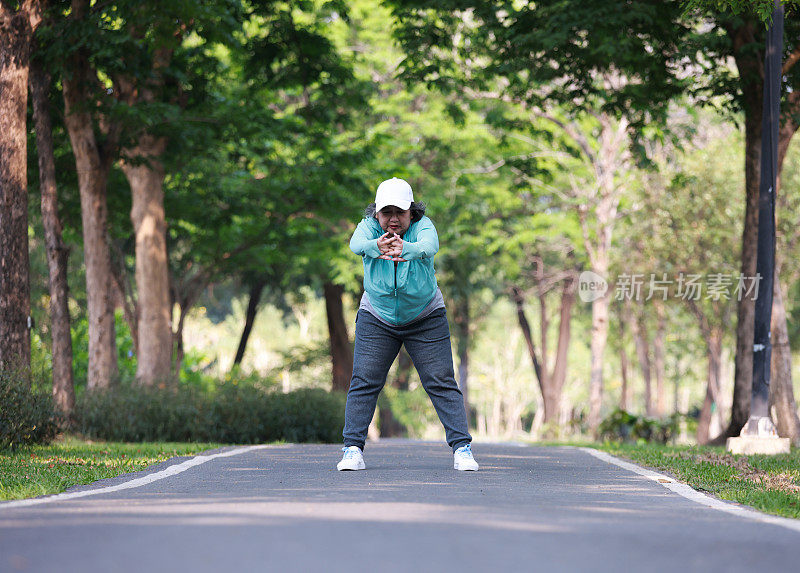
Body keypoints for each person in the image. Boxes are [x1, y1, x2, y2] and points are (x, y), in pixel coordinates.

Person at [337, 177, 479, 472]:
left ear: (412, 212)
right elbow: (355, 245)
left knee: (441, 380)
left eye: (399, 212)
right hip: (377, 316)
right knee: (364, 380)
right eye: (386, 212)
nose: (392, 219)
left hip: (425, 316)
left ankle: (462, 449)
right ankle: (352, 449)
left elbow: (430, 245)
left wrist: (406, 249)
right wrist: (376, 246)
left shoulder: (422, 227)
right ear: (375, 213)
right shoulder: (369, 229)